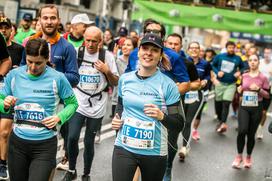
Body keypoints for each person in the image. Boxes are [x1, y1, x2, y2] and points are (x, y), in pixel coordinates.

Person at [0, 38, 78, 181]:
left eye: (38, 63)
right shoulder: (14, 75)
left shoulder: (57, 78)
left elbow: (73, 103)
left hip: (44, 145)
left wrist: (59, 117)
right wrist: (5, 103)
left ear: (46, 59)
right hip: (18, 144)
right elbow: (1, 99)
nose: (33, 67)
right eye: (30, 61)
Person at [112, 33, 182, 181]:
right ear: (138, 51)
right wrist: (117, 119)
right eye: (145, 48)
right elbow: (120, 106)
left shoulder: (168, 85)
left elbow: (178, 124)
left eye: (154, 50)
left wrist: (161, 116)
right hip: (124, 147)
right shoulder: (125, 80)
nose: (148, 53)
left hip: (154, 153)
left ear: (160, 55)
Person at [20, 4, 80, 172]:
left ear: (58, 21)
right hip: (30, 102)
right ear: (39, 20)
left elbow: (75, 78)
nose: (49, 21)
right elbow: (22, 69)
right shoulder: (29, 42)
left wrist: (53, 73)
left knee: (46, 151)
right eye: (45, 17)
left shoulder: (67, 47)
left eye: (53, 18)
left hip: (56, 105)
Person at [62, 26, 119, 181]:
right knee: (72, 138)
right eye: (87, 40)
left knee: (89, 141)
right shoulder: (75, 52)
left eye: (94, 41)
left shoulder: (107, 56)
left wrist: (107, 71)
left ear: (100, 42)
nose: (90, 44)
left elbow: (115, 82)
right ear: (84, 39)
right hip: (78, 101)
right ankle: (71, 170)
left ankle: (86, 174)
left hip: (97, 104)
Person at [126, 19, 190, 94]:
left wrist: (167, 97)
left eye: (156, 32)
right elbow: (127, 76)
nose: (151, 33)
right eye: (148, 31)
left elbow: (186, 84)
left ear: (162, 36)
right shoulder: (134, 53)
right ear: (144, 34)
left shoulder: (173, 56)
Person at [232, 54, 269, 169]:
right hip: (244, 106)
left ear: (258, 62)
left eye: (255, 60)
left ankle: (248, 157)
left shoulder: (263, 78)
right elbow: (239, 88)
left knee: (251, 134)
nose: (252, 62)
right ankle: (238, 156)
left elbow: (268, 95)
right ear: (248, 62)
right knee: (242, 130)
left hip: (257, 107)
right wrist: (239, 90)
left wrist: (259, 89)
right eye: (250, 60)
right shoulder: (244, 76)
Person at [0, 17, 25, 180]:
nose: (3, 30)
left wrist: (15, 71)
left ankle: (3, 164)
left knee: (4, 132)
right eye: (0, 27)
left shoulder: (19, 48)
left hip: (8, 90)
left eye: (6, 27)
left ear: (11, 30)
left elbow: (23, 66)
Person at [178, 41, 211, 161]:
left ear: (200, 50)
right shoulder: (182, 61)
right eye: (191, 48)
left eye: (197, 48)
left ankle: (184, 147)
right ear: (187, 50)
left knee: (188, 122)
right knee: (179, 120)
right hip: (182, 93)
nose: (194, 50)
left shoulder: (205, 64)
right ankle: (171, 145)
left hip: (196, 94)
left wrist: (205, 81)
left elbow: (208, 75)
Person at [212, 41, 245, 133]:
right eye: (229, 47)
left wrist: (239, 72)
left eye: (233, 47)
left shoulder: (238, 58)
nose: (231, 49)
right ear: (226, 48)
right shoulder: (220, 56)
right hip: (220, 83)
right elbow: (212, 65)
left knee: (226, 103)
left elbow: (243, 67)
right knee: (218, 103)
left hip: (231, 84)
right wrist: (217, 71)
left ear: (235, 48)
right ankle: (219, 118)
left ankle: (223, 123)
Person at [111, 37, 138, 118]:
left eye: (128, 45)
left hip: (133, 100)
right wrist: (113, 57)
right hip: (117, 99)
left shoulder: (138, 62)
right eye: (123, 45)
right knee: (117, 126)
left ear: (135, 48)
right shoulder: (117, 60)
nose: (125, 47)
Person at [257, 48, 272, 139]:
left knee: (263, 112)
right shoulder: (260, 62)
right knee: (254, 109)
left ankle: (260, 129)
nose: (267, 54)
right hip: (257, 89)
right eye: (265, 53)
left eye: (269, 53)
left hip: (268, 90)